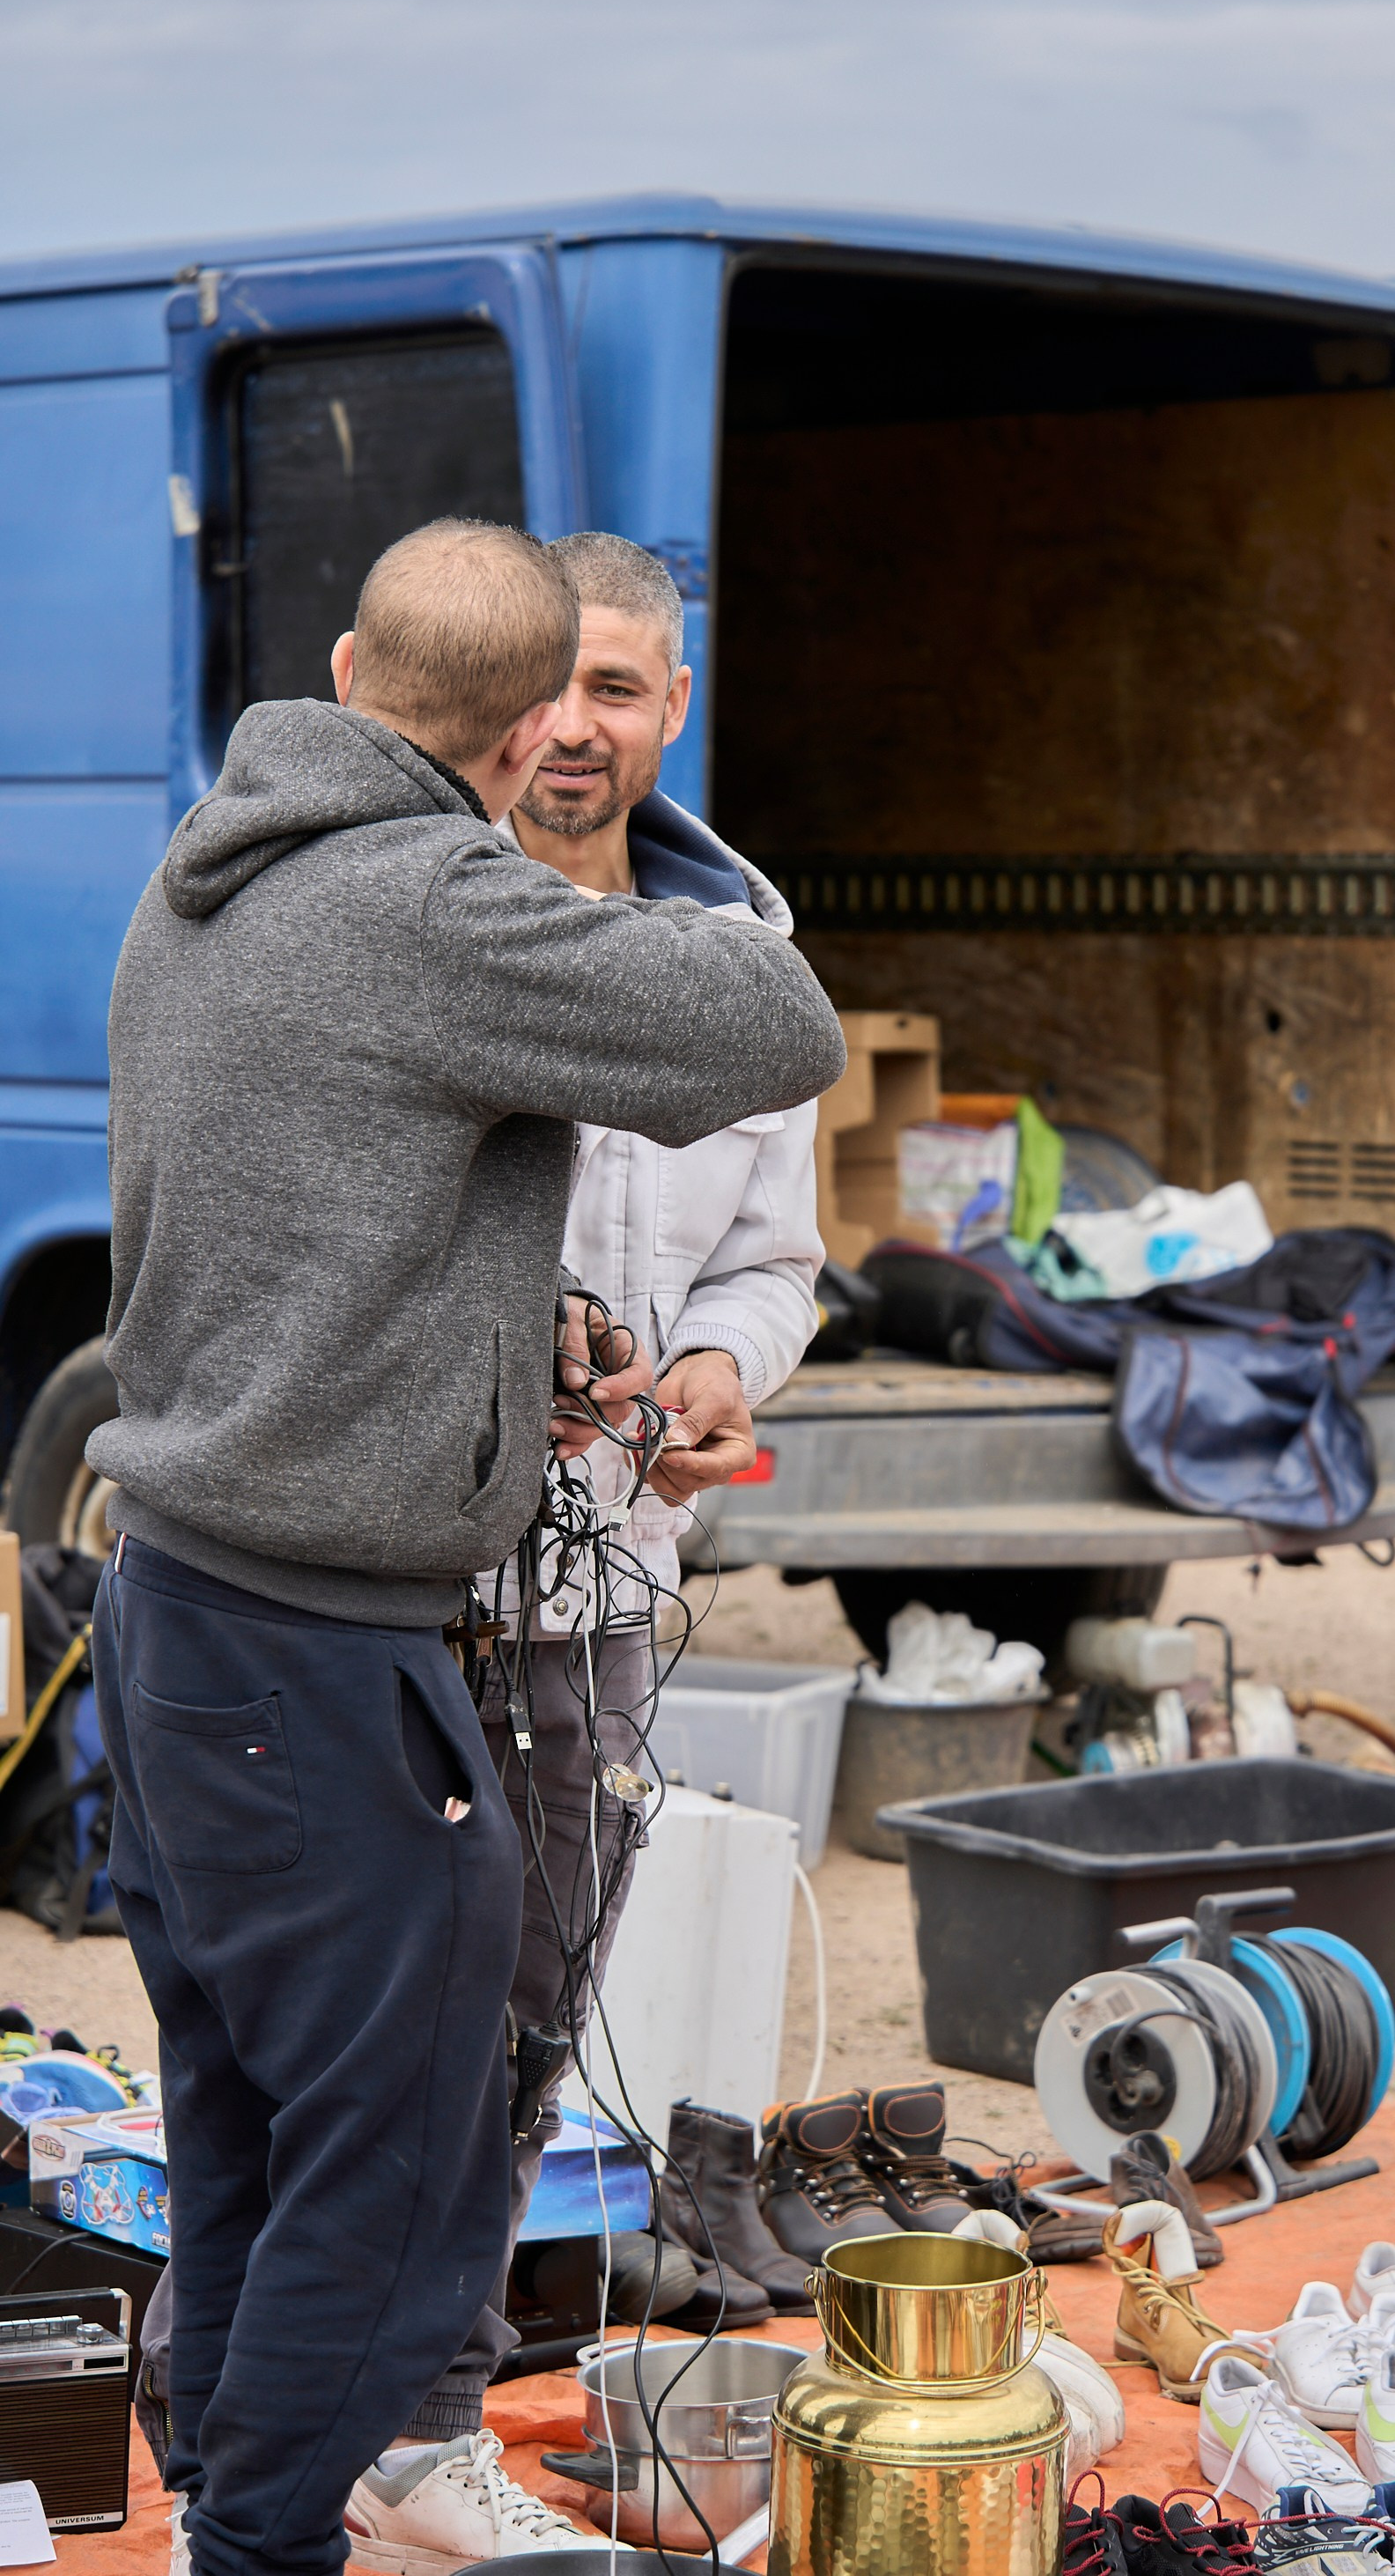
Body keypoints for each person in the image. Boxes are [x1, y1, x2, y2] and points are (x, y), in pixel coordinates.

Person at [90, 518, 845, 2576]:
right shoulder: (437, 900)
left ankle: (228, 2533)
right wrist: (625, 828)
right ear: (526, 736)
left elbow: (320, 1225)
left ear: (344, 672)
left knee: (250, 2119)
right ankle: (268, 2542)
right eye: (563, 713)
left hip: (178, 1608)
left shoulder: (205, 870)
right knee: (401, 2151)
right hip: (329, 1655)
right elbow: (773, 1024)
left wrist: (525, 1354)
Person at [343, 535, 828, 2571]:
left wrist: (716, 1367)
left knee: (536, 2018)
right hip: (393, 1584)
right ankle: (261, 2407)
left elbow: (771, 1251)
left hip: (609, 1583)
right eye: (546, 689)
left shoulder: (737, 955)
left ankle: (423, 2416)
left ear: (671, 713)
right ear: (485, 699)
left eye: (617, 690)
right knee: (353, 2018)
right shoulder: (398, 921)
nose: (572, 730)